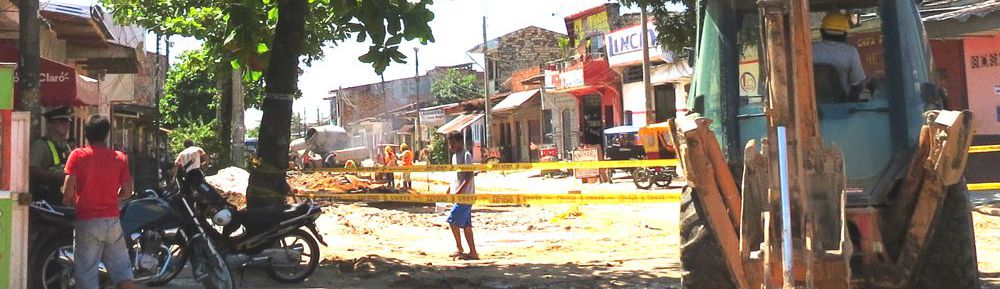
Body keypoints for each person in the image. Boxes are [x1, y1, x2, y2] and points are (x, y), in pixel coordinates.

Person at [62, 115, 135, 289]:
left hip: (87, 221)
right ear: (106, 134)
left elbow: (68, 188)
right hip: (112, 221)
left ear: (85, 133)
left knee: (87, 274)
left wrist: (68, 200)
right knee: (123, 271)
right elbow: (128, 191)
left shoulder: (77, 155)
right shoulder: (120, 157)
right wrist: (113, 197)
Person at [812, 11, 866, 101]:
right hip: (842, 106)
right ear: (845, 34)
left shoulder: (810, 50)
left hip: (814, 104)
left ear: (822, 32)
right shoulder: (850, 52)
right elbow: (857, 84)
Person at [29, 106, 74, 205]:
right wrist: (57, 176)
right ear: (50, 124)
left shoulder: (67, 146)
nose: (66, 125)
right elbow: (33, 169)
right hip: (45, 197)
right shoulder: (41, 145)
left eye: (67, 122)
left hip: (63, 196)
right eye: (61, 121)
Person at [445, 132, 477, 260]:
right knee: (467, 226)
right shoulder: (454, 157)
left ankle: (460, 248)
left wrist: (459, 191)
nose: (451, 145)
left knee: (452, 221)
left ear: (460, 142)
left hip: (466, 196)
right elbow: (456, 176)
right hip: (459, 195)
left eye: (453, 143)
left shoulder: (466, 155)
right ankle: (473, 252)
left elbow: (469, 175)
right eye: (449, 143)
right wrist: (450, 188)